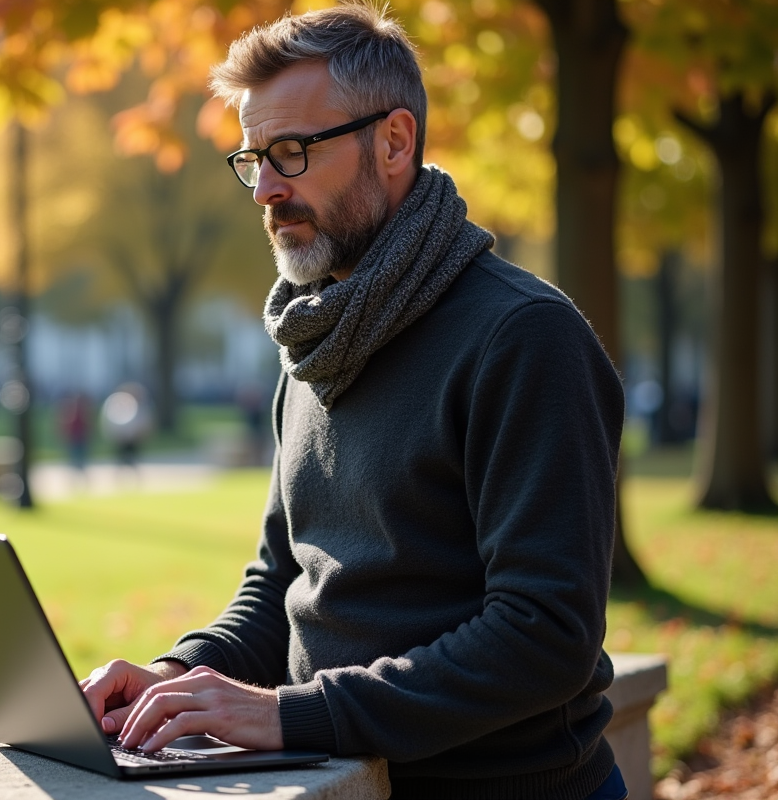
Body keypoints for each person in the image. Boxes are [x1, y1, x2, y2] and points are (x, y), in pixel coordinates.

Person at [81, 6, 627, 800]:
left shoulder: (524, 338)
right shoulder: (316, 340)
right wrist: (181, 672)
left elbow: (545, 637)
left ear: (395, 141)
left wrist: (290, 716)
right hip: (340, 777)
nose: (266, 189)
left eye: (293, 153)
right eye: (253, 159)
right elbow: (283, 582)